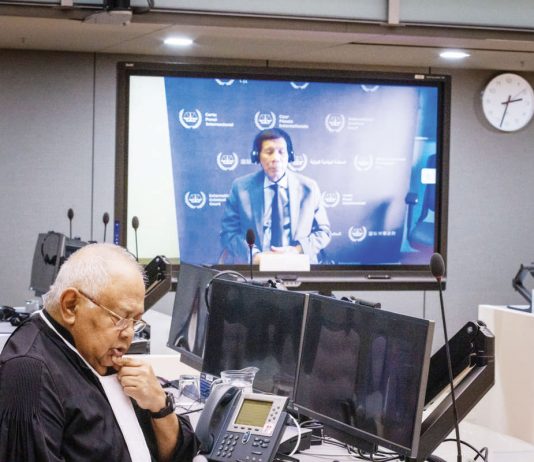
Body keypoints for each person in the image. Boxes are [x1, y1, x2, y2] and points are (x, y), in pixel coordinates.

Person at [0, 243, 198, 462]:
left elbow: (181, 455)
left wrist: (160, 406)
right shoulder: (29, 372)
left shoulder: (103, 355)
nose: (129, 334)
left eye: (136, 321)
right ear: (71, 306)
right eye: (121, 318)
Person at [220, 128, 331, 264]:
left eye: (281, 152)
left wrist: (297, 250)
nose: (275, 158)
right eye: (269, 152)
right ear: (257, 156)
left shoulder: (309, 188)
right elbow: (228, 233)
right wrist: (254, 256)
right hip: (255, 269)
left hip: (298, 266)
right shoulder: (240, 187)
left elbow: (324, 232)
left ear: (290, 155)